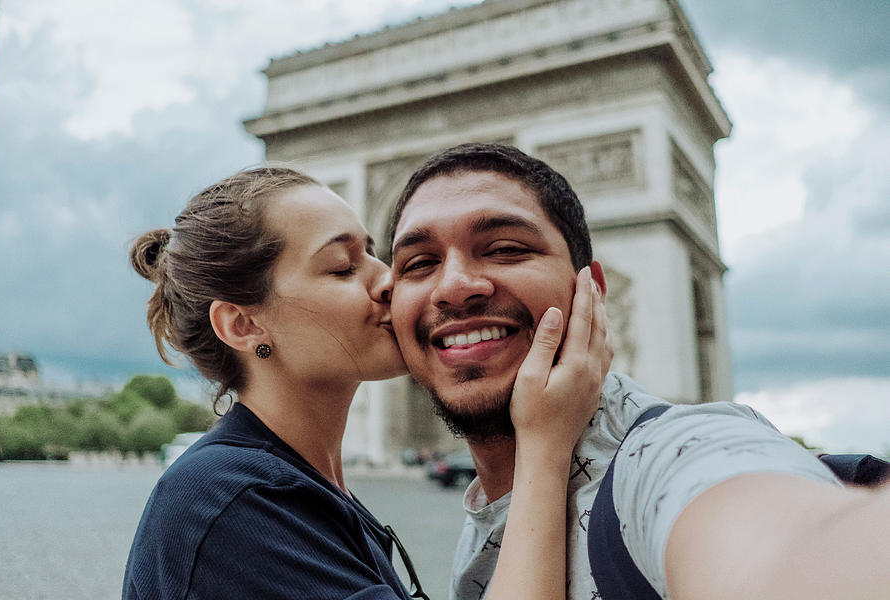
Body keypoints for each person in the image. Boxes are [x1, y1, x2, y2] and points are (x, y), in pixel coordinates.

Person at [387, 143, 890, 600]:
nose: (455, 285)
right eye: (419, 262)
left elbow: (787, 546)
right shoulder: (490, 496)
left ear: (593, 289)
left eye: (505, 249)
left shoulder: (672, 455)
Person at [122, 166, 611, 600]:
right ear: (243, 325)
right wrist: (545, 447)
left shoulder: (295, 487)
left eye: (376, 255)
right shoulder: (230, 502)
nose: (390, 282)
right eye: (342, 267)